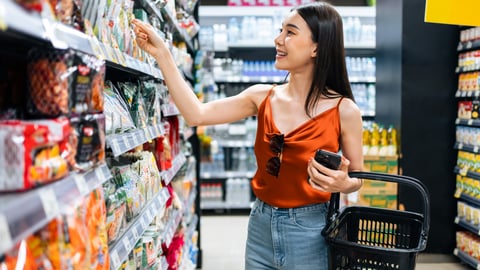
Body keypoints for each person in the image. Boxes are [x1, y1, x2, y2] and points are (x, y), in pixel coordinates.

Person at [132, 1, 363, 269]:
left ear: (317, 47)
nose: (278, 39)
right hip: (260, 227)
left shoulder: (344, 110)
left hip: (311, 231)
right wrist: (163, 55)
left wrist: (344, 184)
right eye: (280, 30)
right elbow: (197, 115)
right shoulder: (260, 97)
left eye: (290, 32)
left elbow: (357, 177)